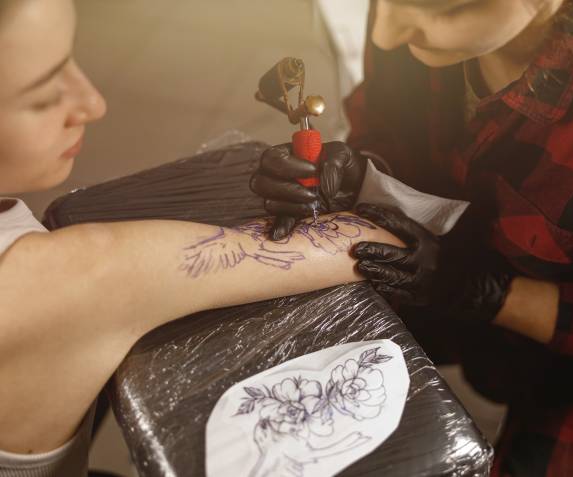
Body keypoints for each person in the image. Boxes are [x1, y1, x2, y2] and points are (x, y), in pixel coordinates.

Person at [250, 0, 573, 474]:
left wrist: (477, 288)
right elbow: (393, 128)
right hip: (459, 259)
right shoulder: (407, 23)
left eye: (442, 11)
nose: (385, 33)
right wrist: (362, 173)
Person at [0, 0, 402, 475]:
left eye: (71, 57)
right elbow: (380, 240)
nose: (94, 103)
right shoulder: (63, 276)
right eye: (43, 95)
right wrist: (367, 189)